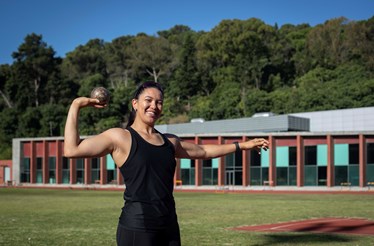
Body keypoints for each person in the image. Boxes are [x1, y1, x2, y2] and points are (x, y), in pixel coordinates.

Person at [63, 81, 269, 246]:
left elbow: (204, 151)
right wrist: (76, 105)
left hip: (169, 226)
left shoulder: (170, 141)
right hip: (138, 227)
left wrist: (243, 145)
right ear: (135, 103)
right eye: (148, 100)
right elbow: (71, 150)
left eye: (159, 102)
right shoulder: (120, 137)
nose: (154, 106)